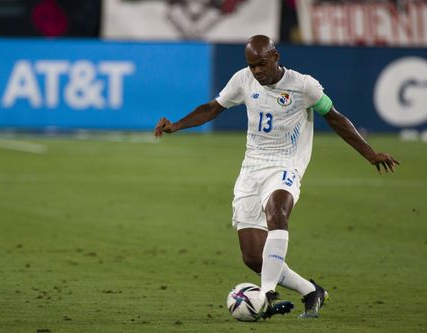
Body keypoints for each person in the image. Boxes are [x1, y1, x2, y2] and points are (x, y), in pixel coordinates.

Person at [154, 35, 400, 319]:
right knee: (253, 257)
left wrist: (369, 153)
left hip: (286, 165)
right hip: (251, 169)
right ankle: (311, 291)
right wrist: (176, 126)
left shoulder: (303, 86)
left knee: (277, 211)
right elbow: (212, 108)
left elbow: (335, 117)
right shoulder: (243, 80)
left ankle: (267, 294)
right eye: (251, 65)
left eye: (261, 64)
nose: (256, 71)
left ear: (275, 56)